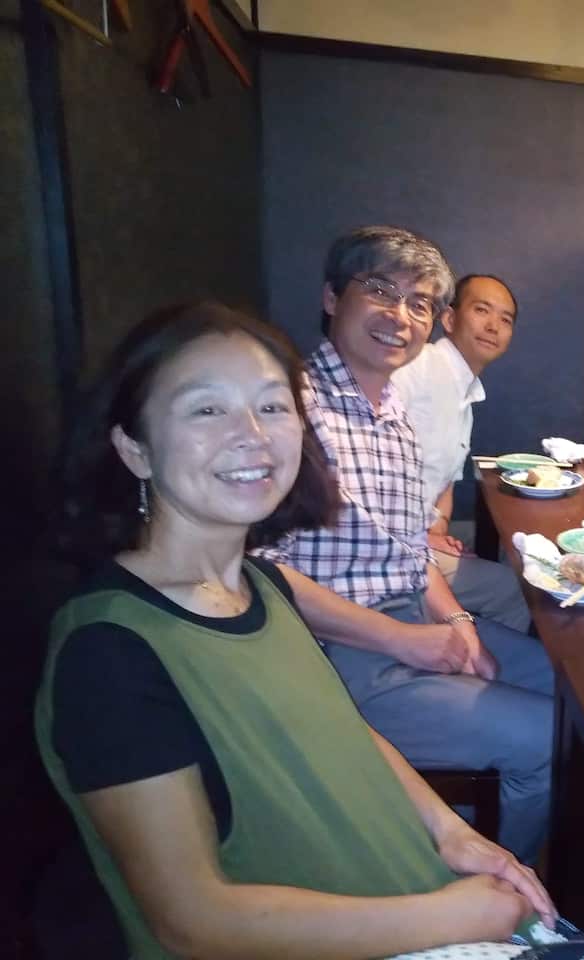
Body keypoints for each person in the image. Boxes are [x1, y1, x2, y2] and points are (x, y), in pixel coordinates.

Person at [36, 302, 555, 960]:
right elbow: (192, 922)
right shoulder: (109, 652)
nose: (253, 435)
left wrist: (451, 832)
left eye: (272, 407)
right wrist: (449, 917)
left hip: (412, 894)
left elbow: (343, 729)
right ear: (134, 448)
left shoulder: (263, 587)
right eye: (206, 409)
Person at [259, 226, 553, 864]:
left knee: (575, 696)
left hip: (411, 620)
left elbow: (411, 552)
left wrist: (458, 623)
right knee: (547, 740)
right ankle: (503, 886)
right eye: (380, 291)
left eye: (419, 303)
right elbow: (259, 575)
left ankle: (499, 839)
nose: (401, 316)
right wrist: (402, 639)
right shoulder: (289, 409)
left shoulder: (394, 416)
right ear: (332, 297)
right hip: (333, 657)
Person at [394, 273, 531, 632]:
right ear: (450, 319)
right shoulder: (415, 366)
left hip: (420, 538)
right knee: (515, 587)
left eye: (505, 319)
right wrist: (423, 538)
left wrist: (438, 528)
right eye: (482, 310)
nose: (493, 326)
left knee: (516, 568)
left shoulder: (466, 394)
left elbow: (447, 482)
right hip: (388, 546)